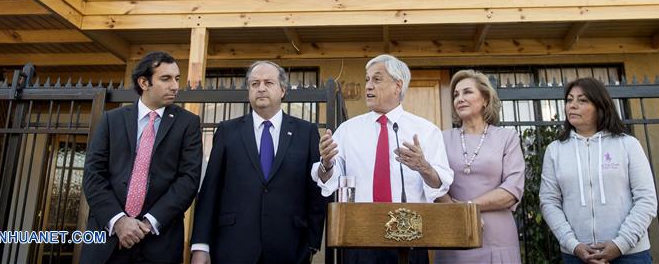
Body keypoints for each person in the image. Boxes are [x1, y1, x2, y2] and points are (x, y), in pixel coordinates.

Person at [314, 54, 453, 264]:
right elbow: (330, 181)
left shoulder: (425, 131)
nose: (368, 86)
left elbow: (440, 186)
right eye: (367, 79)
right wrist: (326, 163)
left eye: (377, 80)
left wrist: (425, 168)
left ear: (398, 86)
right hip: (360, 238)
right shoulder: (348, 131)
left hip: (409, 236)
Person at [190, 60, 327, 264]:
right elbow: (211, 190)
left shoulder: (306, 132)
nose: (261, 88)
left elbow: (315, 190)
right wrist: (200, 246)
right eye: (254, 84)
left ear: (282, 90)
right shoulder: (228, 131)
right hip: (233, 246)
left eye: (268, 83)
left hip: (290, 248)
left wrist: (312, 243)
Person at [82, 51, 202, 264]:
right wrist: (119, 222)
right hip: (108, 239)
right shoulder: (112, 120)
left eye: (176, 78)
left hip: (159, 241)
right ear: (144, 82)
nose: (174, 86)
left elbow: (188, 180)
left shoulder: (188, 124)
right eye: (165, 79)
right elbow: (93, 175)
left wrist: (147, 224)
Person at [539, 77, 658, 264]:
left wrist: (620, 244)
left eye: (582, 100)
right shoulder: (555, 150)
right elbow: (549, 201)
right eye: (569, 100)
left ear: (600, 106)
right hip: (576, 255)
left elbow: (646, 199)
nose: (573, 105)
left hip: (630, 254)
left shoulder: (628, 144)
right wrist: (573, 245)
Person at [435, 70, 525, 264]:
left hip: (498, 237)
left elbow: (512, 189)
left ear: (485, 99)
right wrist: (460, 215)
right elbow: (434, 183)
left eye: (467, 92)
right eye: (456, 95)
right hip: (455, 233)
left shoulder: (507, 137)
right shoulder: (441, 139)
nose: (460, 99)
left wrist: (469, 208)